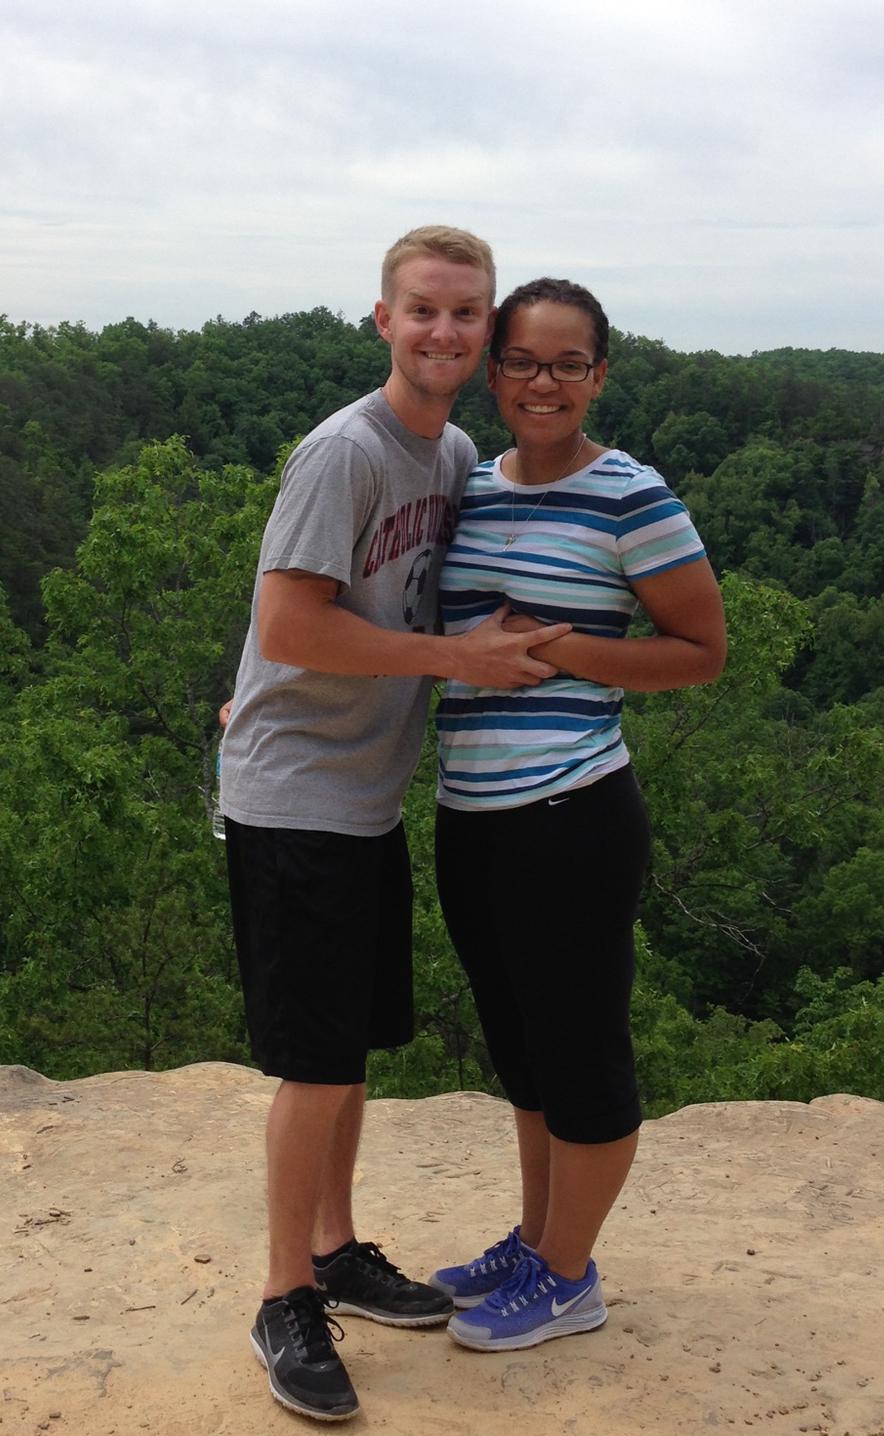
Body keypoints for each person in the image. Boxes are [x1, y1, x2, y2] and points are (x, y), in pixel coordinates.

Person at [219, 229, 574, 1420]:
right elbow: (290, 624)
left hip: (363, 797)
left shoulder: (455, 450)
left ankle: (334, 1248)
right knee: (313, 1063)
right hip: (296, 798)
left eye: (467, 315)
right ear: (383, 320)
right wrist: (452, 658)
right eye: (423, 311)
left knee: (350, 1047)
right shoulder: (345, 453)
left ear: (482, 335)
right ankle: (284, 1300)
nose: (445, 332)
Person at [427, 277, 727, 1352]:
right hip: (470, 811)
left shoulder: (631, 496)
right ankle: (538, 1235)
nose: (541, 383)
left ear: (599, 375)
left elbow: (702, 652)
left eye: (567, 364)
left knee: (581, 1050)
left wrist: (556, 648)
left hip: (573, 813)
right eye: (521, 361)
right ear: (493, 371)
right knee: (521, 1051)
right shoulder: (475, 482)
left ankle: (569, 1277)